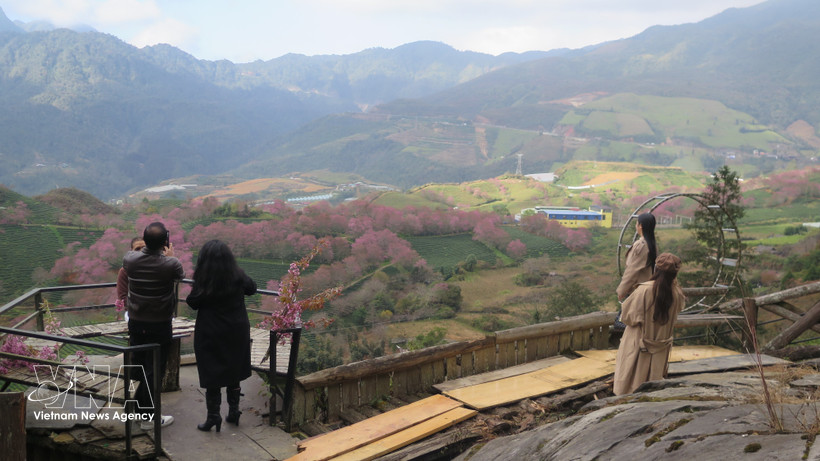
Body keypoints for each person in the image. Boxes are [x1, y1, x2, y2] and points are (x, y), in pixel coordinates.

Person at [186, 240, 256, 432]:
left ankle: (213, 417)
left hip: (211, 332)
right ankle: (234, 412)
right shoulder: (237, 276)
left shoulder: (205, 279)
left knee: (212, 372)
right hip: (236, 330)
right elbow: (252, 288)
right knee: (234, 370)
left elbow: (192, 302)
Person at [123, 222, 184, 430]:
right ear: (165, 242)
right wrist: (170, 256)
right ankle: (149, 418)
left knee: (140, 367)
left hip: (136, 322)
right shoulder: (171, 263)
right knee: (155, 370)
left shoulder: (129, 259)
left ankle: (139, 410)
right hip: (160, 324)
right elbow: (179, 277)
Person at [613, 253, 685, 395]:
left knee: (630, 385)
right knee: (653, 389)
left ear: (656, 269)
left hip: (639, 345)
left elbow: (627, 318)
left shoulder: (644, 290)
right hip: (660, 347)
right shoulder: (677, 293)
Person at [616, 212, 658, 302]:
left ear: (640, 226)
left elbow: (632, 270)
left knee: (626, 315)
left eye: (637, 223)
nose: (636, 225)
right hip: (646, 289)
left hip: (637, 291)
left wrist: (621, 290)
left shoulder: (641, 245)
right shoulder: (652, 244)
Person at [116, 237, 145, 309]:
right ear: (131, 251)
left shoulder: (155, 267)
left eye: (144, 248)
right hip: (134, 311)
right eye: (137, 249)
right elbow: (122, 296)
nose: (141, 251)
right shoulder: (124, 271)